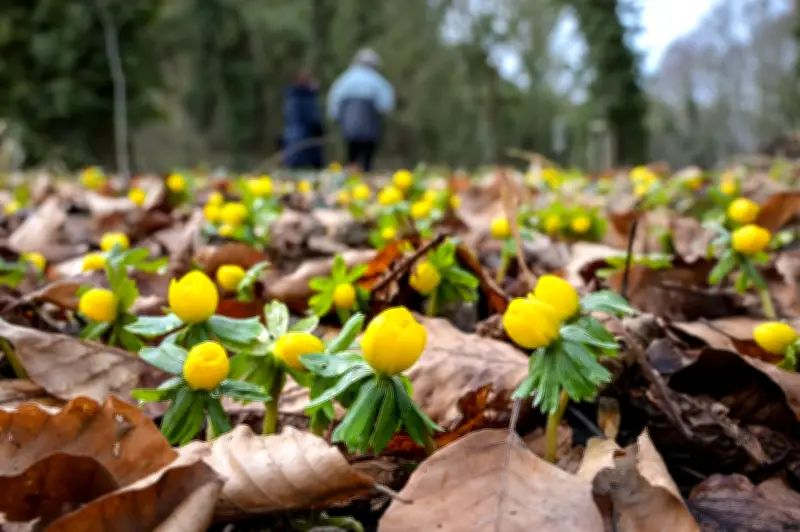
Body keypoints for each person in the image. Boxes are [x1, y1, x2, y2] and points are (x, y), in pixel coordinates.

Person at [328, 48, 395, 172]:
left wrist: (335, 116)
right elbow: (386, 104)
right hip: (370, 124)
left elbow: (335, 100)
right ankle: (366, 170)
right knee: (368, 153)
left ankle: (351, 170)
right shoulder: (378, 81)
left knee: (351, 152)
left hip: (349, 124)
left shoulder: (345, 78)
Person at [283, 70, 324, 169]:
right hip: (305, 139)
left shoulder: (291, 96)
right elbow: (312, 118)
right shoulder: (306, 97)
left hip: (293, 138)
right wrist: (320, 129)